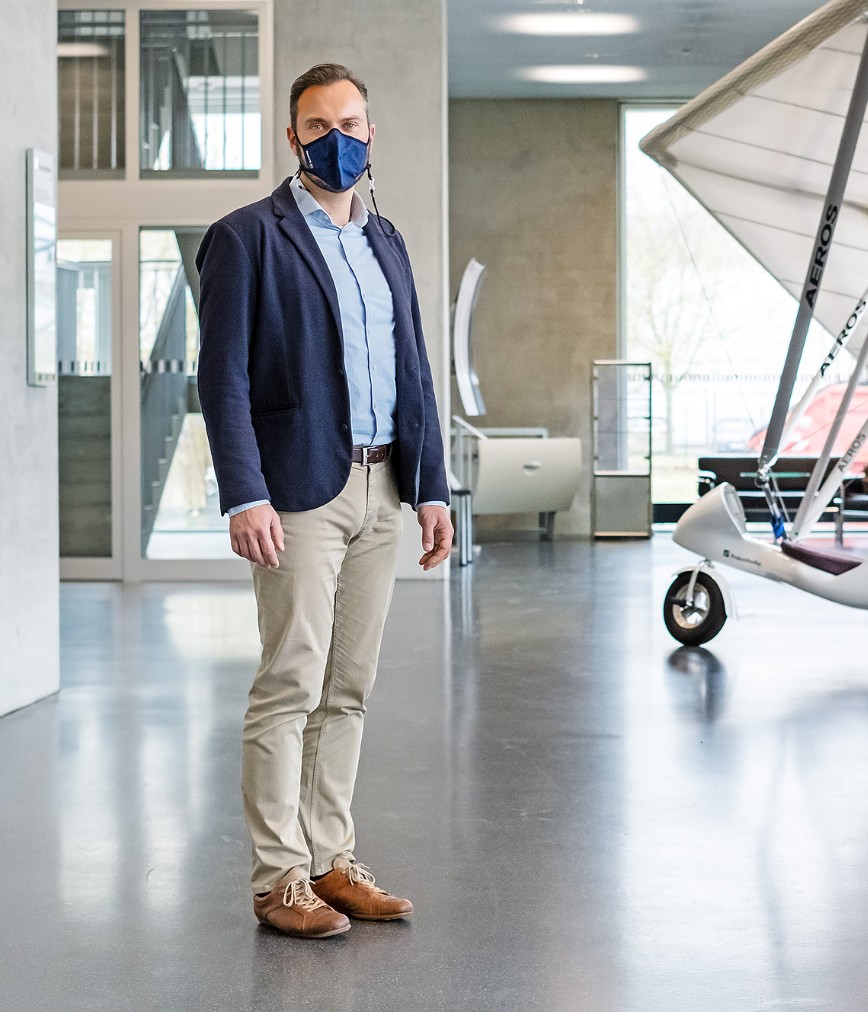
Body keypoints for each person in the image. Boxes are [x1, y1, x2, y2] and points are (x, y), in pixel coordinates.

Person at [196, 63, 453, 939]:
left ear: (371, 133)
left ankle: (331, 861)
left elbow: (414, 369)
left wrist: (431, 487)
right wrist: (245, 494)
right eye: (316, 125)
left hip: (385, 485)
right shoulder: (246, 239)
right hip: (300, 490)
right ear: (292, 137)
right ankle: (279, 879)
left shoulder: (389, 243)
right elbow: (222, 379)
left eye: (350, 121)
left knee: (349, 686)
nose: (334, 137)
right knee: (290, 682)